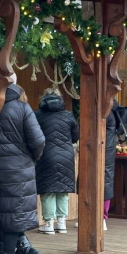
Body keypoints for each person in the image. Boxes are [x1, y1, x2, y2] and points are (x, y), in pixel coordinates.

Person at [0, 84, 45, 254]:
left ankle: (24, 253)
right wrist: (31, 157)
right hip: (20, 171)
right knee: (13, 217)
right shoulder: (23, 109)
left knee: (7, 216)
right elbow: (39, 140)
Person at [34, 89, 79, 235]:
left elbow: (33, 135)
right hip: (66, 156)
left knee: (47, 190)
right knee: (62, 190)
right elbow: (75, 137)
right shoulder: (68, 115)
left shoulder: (38, 115)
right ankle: (61, 223)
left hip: (46, 155)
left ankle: (48, 223)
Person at [103, 100, 127, 229]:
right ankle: (103, 217)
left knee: (98, 182)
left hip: (101, 149)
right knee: (106, 181)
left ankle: (101, 218)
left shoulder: (105, 113)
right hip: (110, 149)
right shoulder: (114, 111)